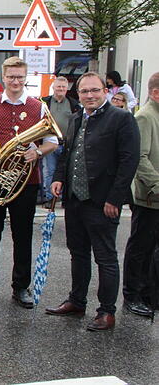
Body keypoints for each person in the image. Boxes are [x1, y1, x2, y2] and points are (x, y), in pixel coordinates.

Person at [47, 72, 139, 331]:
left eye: (94, 90)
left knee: (106, 257)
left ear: (104, 91)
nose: (89, 95)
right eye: (85, 91)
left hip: (102, 201)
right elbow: (67, 154)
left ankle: (106, 312)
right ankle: (77, 301)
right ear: (79, 94)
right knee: (78, 253)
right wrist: (58, 178)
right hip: (75, 199)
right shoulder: (77, 118)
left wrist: (115, 199)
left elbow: (128, 161)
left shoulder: (121, 119)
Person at [0, 56, 59, 308]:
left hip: (25, 181)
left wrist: (38, 152)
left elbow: (52, 141)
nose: (15, 81)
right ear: (4, 76)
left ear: (26, 77)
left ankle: (21, 286)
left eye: (20, 77)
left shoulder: (39, 107)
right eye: (11, 76)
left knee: (22, 235)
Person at [123, 71, 159, 318]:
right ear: (155, 93)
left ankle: (148, 294)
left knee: (152, 249)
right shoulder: (146, 117)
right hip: (149, 197)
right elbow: (140, 158)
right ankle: (132, 296)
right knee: (141, 248)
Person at [41, 76, 80, 204]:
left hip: (67, 143)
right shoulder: (45, 102)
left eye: (63, 87)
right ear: (53, 87)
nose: (61, 89)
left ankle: (63, 198)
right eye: (58, 87)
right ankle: (50, 198)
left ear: (67, 89)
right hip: (50, 143)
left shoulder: (73, 104)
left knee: (66, 171)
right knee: (50, 171)